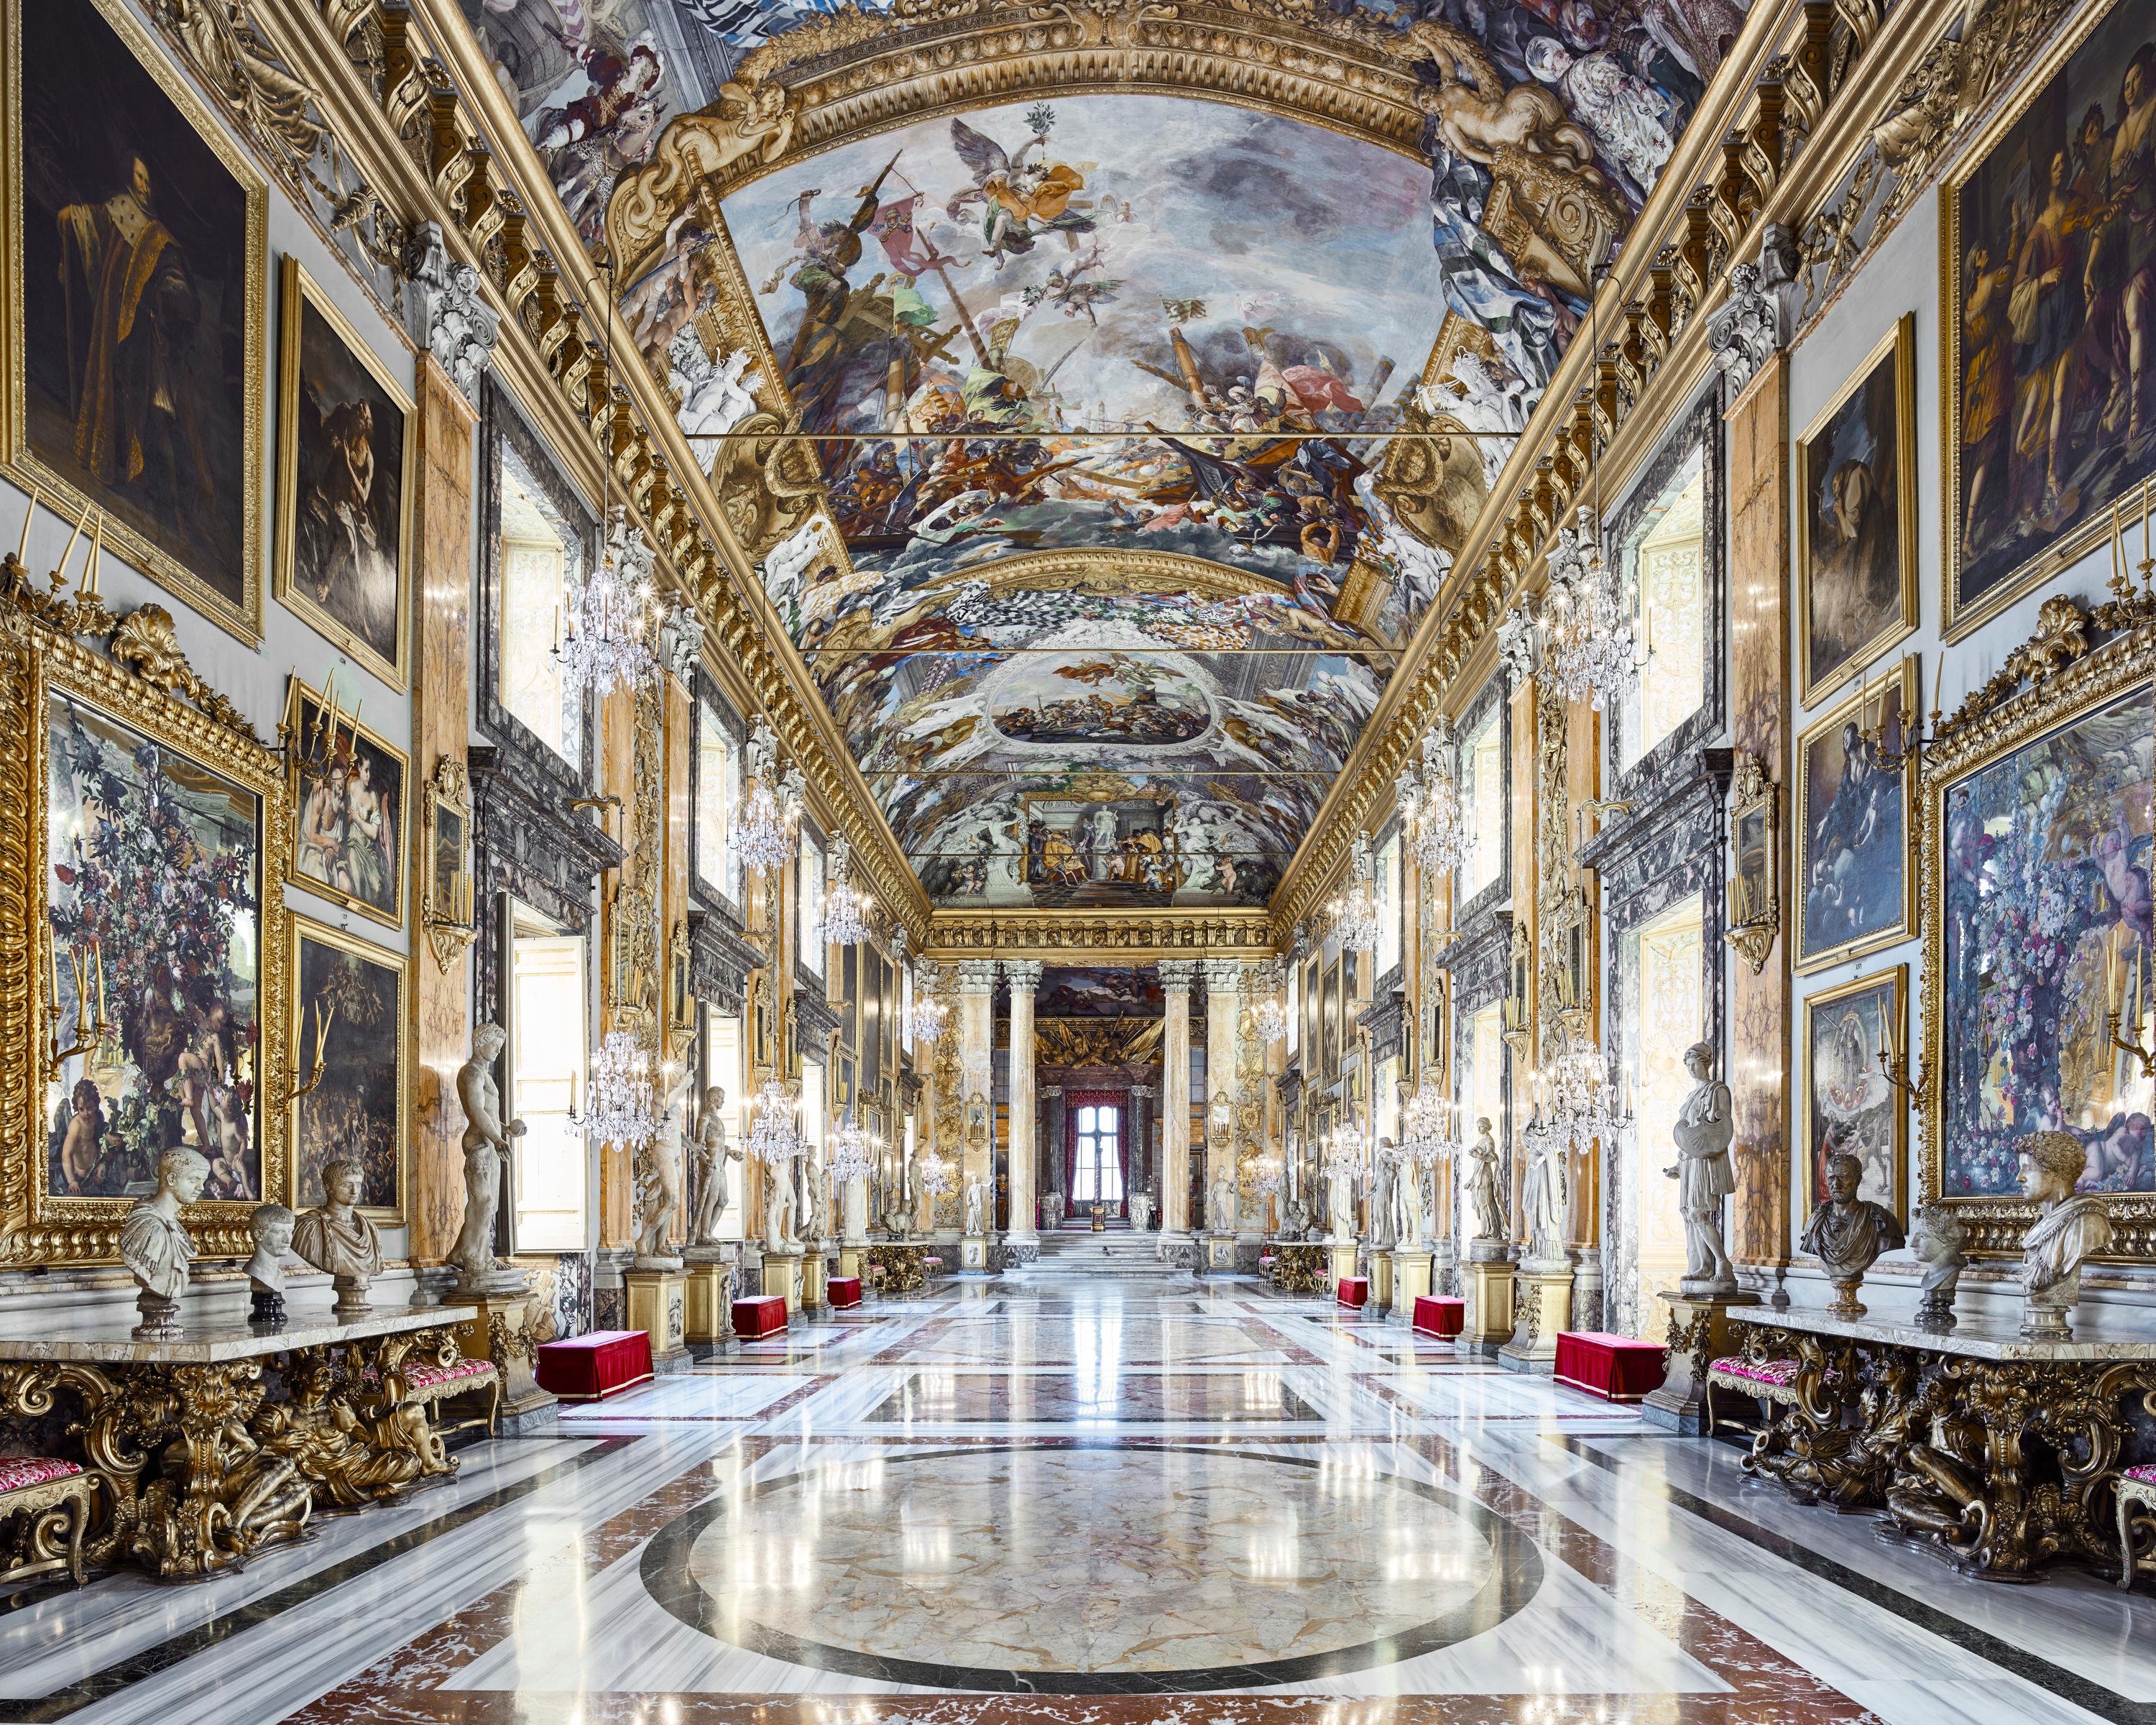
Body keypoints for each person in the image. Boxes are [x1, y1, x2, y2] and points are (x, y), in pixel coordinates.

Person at [55, 147, 220, 544]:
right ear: (129, 178)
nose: (144, 186)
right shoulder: (119, 210)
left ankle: (163, 499)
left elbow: (178, 287)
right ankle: (125, 470)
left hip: (148, 336)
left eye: (148, 180)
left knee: (156, 416)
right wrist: (73, 218)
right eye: (139, 177)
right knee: (123, 393)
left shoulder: (160, 237)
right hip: (119, 325)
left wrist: (165, 299)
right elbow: (94, 219)